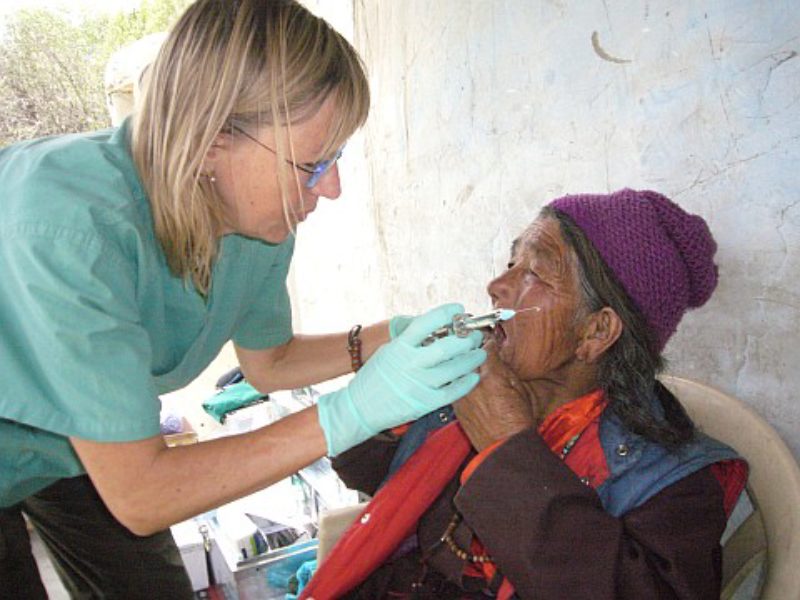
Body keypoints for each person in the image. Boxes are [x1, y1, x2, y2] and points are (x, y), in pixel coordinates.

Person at [0, 1, 487, 597]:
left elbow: (270, 361)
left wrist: (387, 338)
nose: (331, 188)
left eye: (335, 159)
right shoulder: (65, 229)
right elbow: (143, 494)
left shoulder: (253, 216)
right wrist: (353, 411)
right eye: (314, 163)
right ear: (210, 140)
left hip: (72, 447)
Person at [302, 189, 749, 599]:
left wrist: (506, 448)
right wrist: (395, 396)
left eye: (534, 272)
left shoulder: (672, 481)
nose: (497, 285)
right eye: (512, 262)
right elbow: (362, 470)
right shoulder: (478, 386)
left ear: (596, 331)